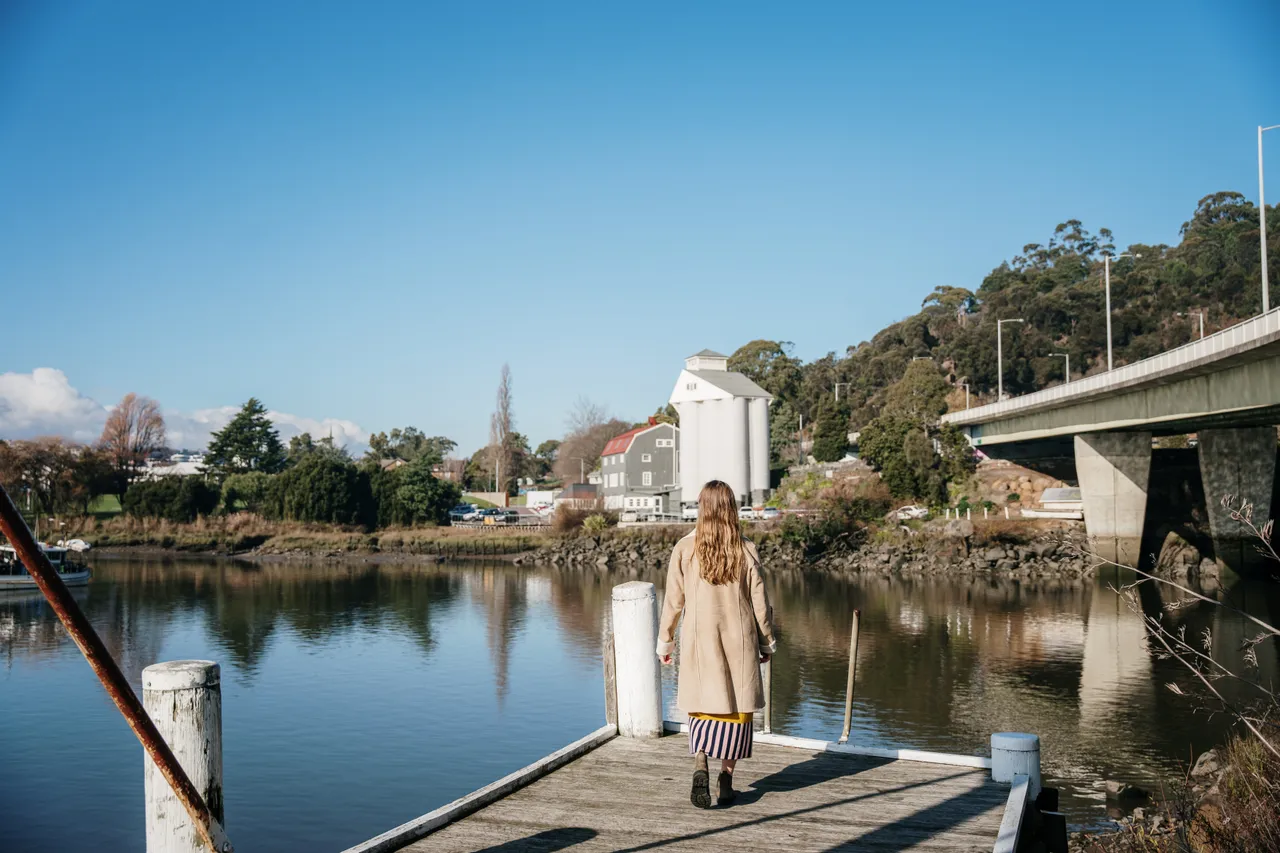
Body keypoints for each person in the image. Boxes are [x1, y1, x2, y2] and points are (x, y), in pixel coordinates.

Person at [657, 480, 777, 809]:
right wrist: (767, 643)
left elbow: (673, 600)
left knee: (703, 706)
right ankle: (726, 780)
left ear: (702, 507)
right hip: (740, 643)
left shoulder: (685, 548)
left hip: (699, 642)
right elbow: (760, 604)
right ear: (731, 508)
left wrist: (665, 641)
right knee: (735, 712)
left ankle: (700, 766)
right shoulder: (746, 548)